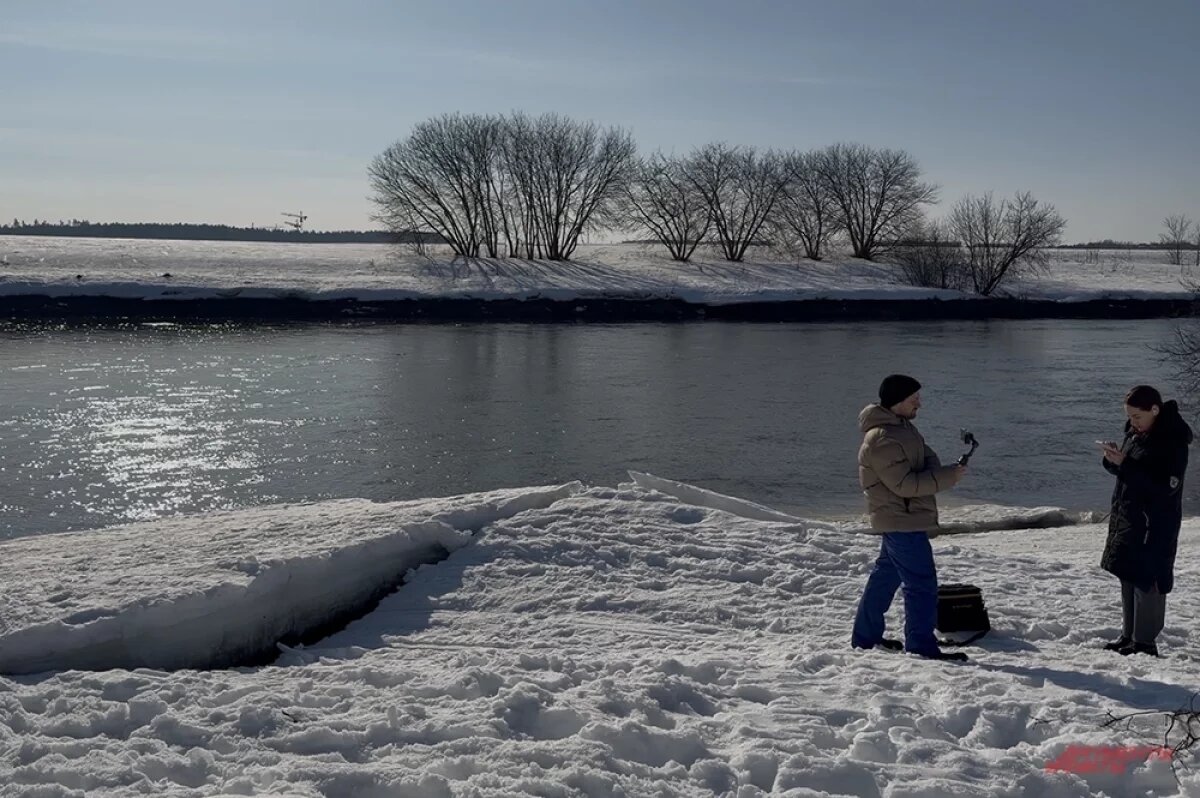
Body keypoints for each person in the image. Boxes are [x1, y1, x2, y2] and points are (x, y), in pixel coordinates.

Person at [851, 374, 969, 661]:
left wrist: (939, 473)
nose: (920, 404)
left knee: (885, 577)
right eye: (914, 399)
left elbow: (927, 460)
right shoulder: (882, 438)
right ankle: (921, 646)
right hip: (902, 520)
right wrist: (946, 477)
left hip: (902, 517)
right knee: (921, 583)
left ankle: (865, 638)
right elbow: (904, 484)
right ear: (897, 402)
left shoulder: (903, 429)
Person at [1098, 385, 1192, 657]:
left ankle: (1144, 642)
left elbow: (1165, 486)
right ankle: (1128, 636)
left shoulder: (1172, 441)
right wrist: (1113, 461)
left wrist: (1125, 464)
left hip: (1155, 522)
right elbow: (1130, 472)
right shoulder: (1136, 433)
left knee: (1147, 578)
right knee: (1127, 573)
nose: (1132, 422)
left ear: (1154, 410)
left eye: (1137, 416)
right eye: (1129, 417)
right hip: (1130, 516)